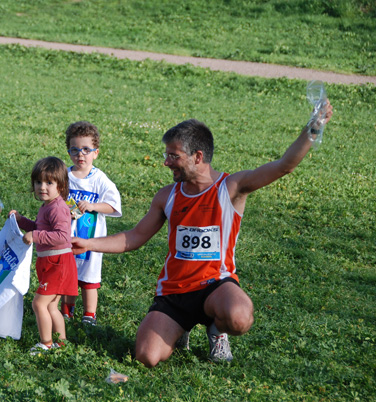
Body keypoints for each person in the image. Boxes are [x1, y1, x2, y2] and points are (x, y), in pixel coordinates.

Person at [72, 100, 333, 367]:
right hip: (174, 292)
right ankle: (180, 327)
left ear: (197, 156)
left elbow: (283, 166)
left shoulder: (232, 187)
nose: (166, 162)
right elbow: (134, 237)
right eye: (166, 155)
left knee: (239, 318)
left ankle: (216, 330)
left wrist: (314, 127)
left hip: (215, 286)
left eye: (174, 156)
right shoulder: (167, 196)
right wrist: (88, 243)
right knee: (146, 357)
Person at [9, 157, 78, 354]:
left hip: (57, 262)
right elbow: (40, 228)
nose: (42, 187)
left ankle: (46, 343)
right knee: (51, 307)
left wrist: (35, 235)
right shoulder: (48, 206)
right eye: (38, 182)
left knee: (39, 303)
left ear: (61, 186)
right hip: (52, 262)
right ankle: (61, 343)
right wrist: (23, 222)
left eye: (49, 182)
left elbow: (62, 235)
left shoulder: (57, 208)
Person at [59, 121, 122, 326]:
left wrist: (94, 205)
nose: (81, 155)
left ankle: (89, 315)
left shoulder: (100, 179)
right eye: (75, 150)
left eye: (86, 150)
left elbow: (114, 206)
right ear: (69, 152)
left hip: (92, 239)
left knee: (89, 278)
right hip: (66, 236)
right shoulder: (64, 177)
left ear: (96, 152)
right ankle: (67, 312)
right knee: (67, 275)